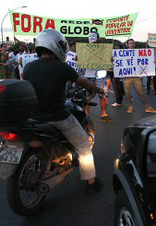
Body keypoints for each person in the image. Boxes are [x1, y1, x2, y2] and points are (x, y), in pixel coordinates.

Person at [23, 29, 103, 194]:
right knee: (83, 144)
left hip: (32, 117)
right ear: (55, 46)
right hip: (57, 117)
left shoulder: (29, 67)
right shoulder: (62, 68)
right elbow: (83, 81)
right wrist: (99, 90)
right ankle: (91, 181)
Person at [119, 39, 156, 114]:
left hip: (136, 76)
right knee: (127, 92)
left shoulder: (138, 53)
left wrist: (151, 61)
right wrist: (113, 59)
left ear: (134, 45)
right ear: (127, 44)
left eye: (133, 43)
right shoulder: (123, 53)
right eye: (130, 43)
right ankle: (130, 106)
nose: (131, 44)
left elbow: (147, 59)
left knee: (141, 92)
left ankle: (147, 107)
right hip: (127, 76)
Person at [83, 32, 114, 123]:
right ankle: (86, 114)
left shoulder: (104, 49)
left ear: (97, 38)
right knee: (88, 97)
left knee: (103, 96)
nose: (91, 38)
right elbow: (80, 61)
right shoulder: (84, 49)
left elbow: (110, 61)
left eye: (93, 37)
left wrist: (111, 60)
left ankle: (103, 114)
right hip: (89, 75)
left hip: (100, 75)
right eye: (90, 37)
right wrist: (78, 59)